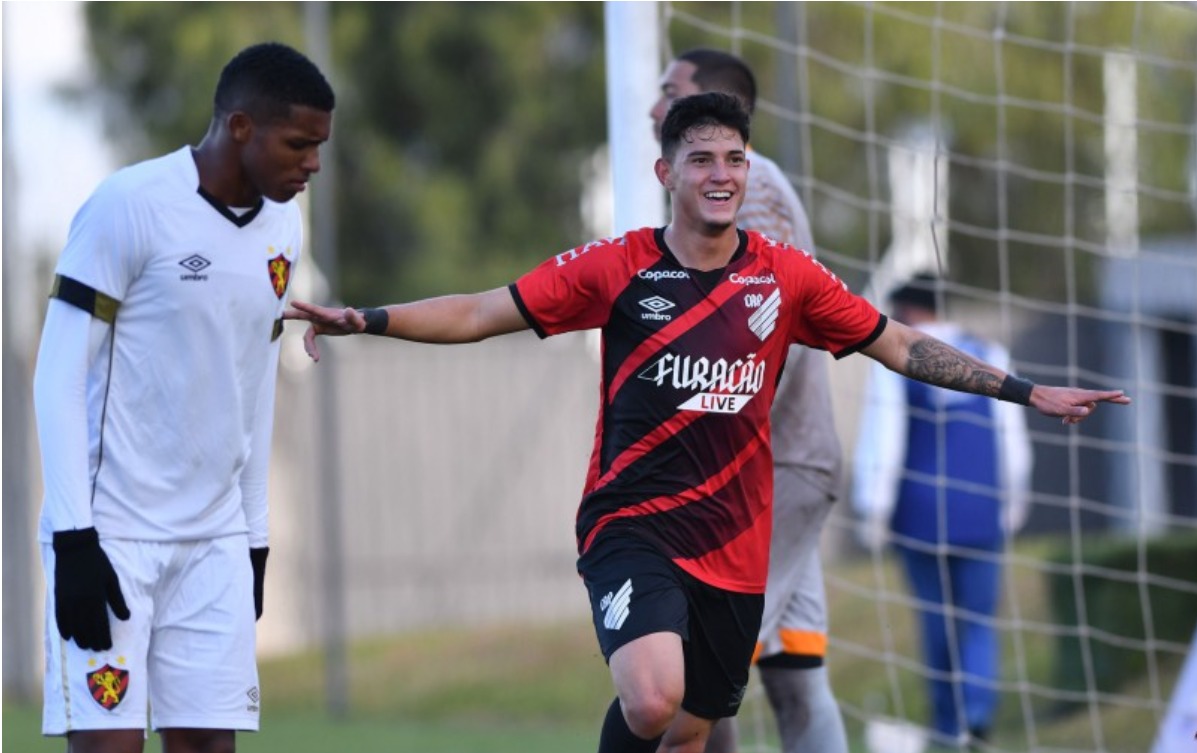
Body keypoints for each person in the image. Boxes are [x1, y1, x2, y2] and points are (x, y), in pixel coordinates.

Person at [284, 91, 1128, 753]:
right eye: (701, 159)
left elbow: (897, 344)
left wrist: (1025, 392)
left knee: (689, 729)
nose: (721, 173)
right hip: (632, 526)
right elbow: (479, 310)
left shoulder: (786, 278)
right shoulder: (613, 268)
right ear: (667, 174)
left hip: (733, 546)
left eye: (733, 157)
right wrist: (366, 318)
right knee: (650, 697)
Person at [32, 42, 333, 753]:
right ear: (238, 127)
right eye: (298, 143)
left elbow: (253, 384)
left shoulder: (282, 228)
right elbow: (56, 372)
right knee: (110, 747)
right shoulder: (130, 205)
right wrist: (74, 537)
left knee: (207, 745)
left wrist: (253, 538)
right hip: (112, 536)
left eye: (319, 146)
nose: (313, 164)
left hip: (214, 541)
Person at [647, 49, 848, 753]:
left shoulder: (749, 187)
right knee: (794, 677)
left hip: (766, 470)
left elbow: (775, 327)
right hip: (781, 463)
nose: (652, 106)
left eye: (669, 92)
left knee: (696, 673)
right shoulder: (727, 186)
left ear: (713, 107)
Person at [852, 274, 1034, 748]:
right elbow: (1011, 438)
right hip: (981, 507)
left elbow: (884, 439)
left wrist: (872, 509)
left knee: (936, 621)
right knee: (977, 620)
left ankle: (948, 722)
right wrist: (1014, 500)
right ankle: (976, 717)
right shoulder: (990, 354)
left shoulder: (895, 359)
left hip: (921, 512)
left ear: (907, 313)